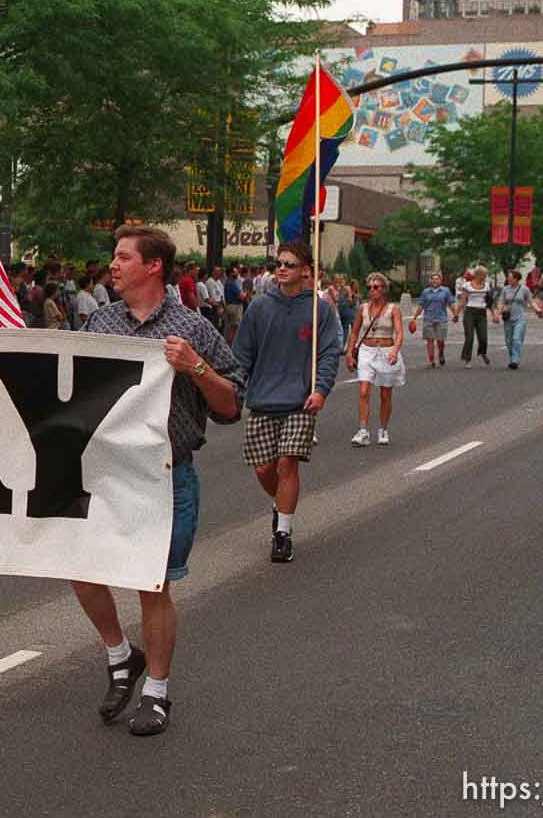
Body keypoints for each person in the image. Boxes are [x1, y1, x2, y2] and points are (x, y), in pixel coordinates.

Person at [73, 227, 242, 736]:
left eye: (123, 257)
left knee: (153, 583)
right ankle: (121, 655)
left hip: (166, 474)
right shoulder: (99, 323)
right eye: (114, 256)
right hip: (105, 471)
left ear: (154, 267)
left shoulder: (194, 327)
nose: (113, 265)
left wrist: (196, 367)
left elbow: (231, 405)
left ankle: (157, 692)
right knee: (79, 564)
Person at [231, 240, 341, 565]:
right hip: (262, 400)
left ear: (306, 271)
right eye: (279, 263)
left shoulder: (320, 309)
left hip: (299, 401)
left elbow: (328, 354)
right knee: (264, 468)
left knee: (286, 463)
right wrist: (234, 390)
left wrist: (320, 390)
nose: (281, 268)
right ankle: (281, 504)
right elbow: (241, 355)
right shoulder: (258, 308)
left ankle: (283, 534)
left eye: (289, 264)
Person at [346, 273, 404, 446]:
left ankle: (383, 429)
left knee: (385, 394)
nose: (372, 290)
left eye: (376, 287)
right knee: (364, 391)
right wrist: (349, 353)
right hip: (366, 351)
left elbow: (400, 333)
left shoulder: (393, 309)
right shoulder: (362, 308)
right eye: (370, 287)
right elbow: (355, 332)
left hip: (386, 351)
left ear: (384, 289)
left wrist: (395, 351)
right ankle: (363, 431)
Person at [453, 267, 495, 367]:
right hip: (470, 313)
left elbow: (489, 302)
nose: (485, 277)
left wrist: (494, 315)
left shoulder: (487, 285)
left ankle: (482, 352)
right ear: (478, 275)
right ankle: (467, 359)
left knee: (483, 337)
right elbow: (462, 301)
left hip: (482, 313)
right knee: (469, 337)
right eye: (484, 275)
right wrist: (456, 314)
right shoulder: (467, 285)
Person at [409, 272, 453, 369]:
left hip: (441, 319)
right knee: (430, 340)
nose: (435, 281)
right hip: (428, 319)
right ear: (430, 281)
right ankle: (431, 360)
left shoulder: (446, 291)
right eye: (433, 279)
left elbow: (450, 303)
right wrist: (414, 317)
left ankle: (441, 354)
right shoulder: (426, 292)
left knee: (440, 340)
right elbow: (421, 305)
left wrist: (456, 314)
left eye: (437, 279)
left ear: (441, 281)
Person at [498, 270, 532, 370]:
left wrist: (538, 310)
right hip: (508, 318)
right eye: (508, 277)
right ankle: (512, 357)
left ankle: (515, 360)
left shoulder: (524, 289)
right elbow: (501, 302)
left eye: (510, 277)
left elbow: (531, 301)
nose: (508, 279)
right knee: (508, 340)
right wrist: (497, 313)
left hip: (521, 317)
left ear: (516, 279)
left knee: (516, 338)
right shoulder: (505, 289)